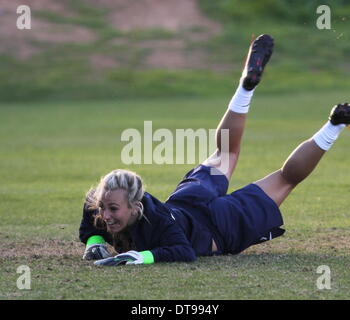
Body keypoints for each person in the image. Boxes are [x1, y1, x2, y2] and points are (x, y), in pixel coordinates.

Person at [79, 34, 350, 266]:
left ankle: (334, 125)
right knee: (226, 153)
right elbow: (92, 203)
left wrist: (140, 257)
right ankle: (245, 87)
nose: (105, 215)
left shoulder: (157, 222)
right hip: (188, 199)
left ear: (135, 206)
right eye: (103, 207)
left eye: (112, 209)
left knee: (285, 179)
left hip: (220, 227)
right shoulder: (107, 206)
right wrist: (93, 241)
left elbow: (182, 251)